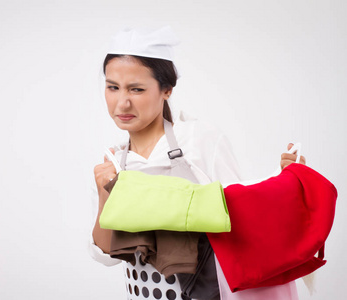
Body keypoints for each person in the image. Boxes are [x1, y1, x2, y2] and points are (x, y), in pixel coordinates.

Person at [89, 26, 306, 300]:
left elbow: (241, 217)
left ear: (166, 89)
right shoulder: (113, 160)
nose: (122, 103)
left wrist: (283, 184)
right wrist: (103, 195)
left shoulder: (198, 139)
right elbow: (106, 256)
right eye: (112, 87)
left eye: (137, 89)